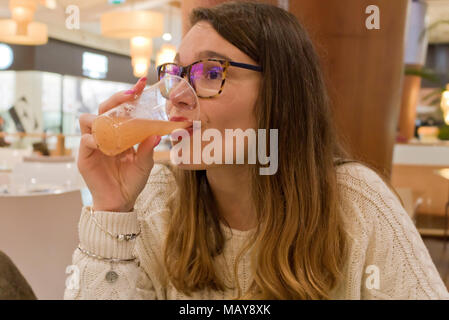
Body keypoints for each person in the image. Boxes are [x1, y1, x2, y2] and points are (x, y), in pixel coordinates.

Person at [65, 2, 449, 300]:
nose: (177, 98)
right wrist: (113, 211)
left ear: (282, 92)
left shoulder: (357, 203)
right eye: (177, 75)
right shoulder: (159, 198)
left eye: (211, 73)